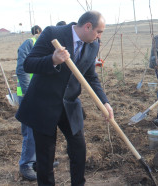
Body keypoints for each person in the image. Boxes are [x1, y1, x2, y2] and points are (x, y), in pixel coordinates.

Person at [15, 11, 114, 185]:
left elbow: (90, 76)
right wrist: (52, 59)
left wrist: (104, 102)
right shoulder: (53, 33)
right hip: (44, 104)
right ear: (88, 26)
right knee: (45, 157)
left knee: (79, 150)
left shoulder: (93, 45)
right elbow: (28, 64)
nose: (99, 36)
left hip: (70, 104)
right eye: (99, 32)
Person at [16, 25, 48, 180]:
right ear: (39, 32)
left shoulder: (43, 44)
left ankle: (38, 162)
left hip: (39, 93)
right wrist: (30, 94)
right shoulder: (29, 43)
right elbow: (22, 70)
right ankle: (26, 165)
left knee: (37, 129)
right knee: (31, 129)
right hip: (28, 94)